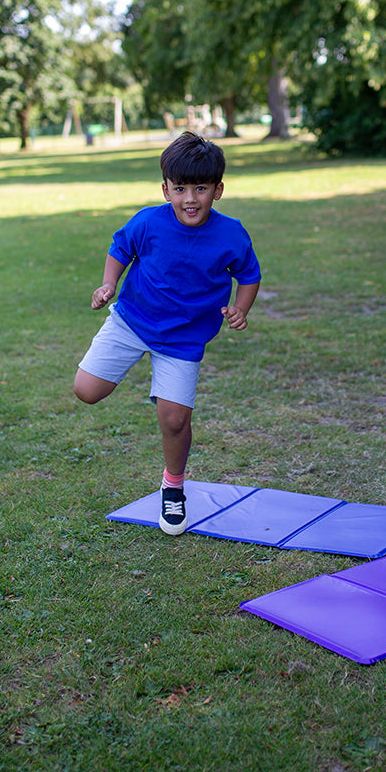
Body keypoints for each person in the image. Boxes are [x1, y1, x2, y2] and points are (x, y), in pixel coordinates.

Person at [74, 131, 261, 535]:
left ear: (218, 189)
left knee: (174, 420)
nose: (190, 198)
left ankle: (173, 486)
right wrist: (108, 284)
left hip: (184, 338)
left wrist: (240, 309)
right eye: (180, 189)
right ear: (165, 189)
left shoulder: (232, 234)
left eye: (201, 188)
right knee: (86, 391)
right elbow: (120, 249)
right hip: (132, 320)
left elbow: (248, 275)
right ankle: (146, 372)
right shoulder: (148, 221)